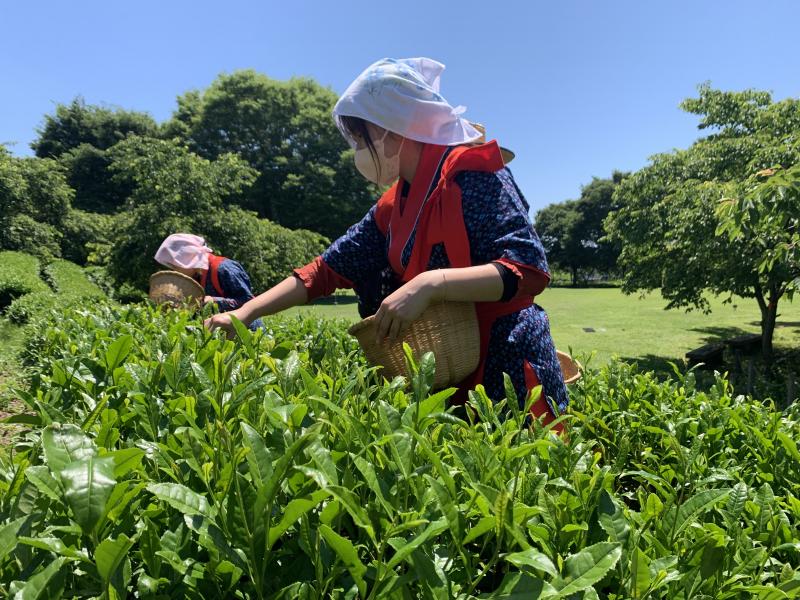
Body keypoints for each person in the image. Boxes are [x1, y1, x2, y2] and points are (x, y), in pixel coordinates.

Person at [205, 57, 568, 425]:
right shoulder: (393, 206)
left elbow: (528, 267)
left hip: (508, 362)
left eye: (362, 138)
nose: (358, 151)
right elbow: (325, 271)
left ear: (394, 129)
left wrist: (432, 284)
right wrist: (244, 313)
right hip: (446, 367)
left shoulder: (472, 172)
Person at [155, 233, 264, 329]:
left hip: (247, 331)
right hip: (221, 333)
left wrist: (215, 301)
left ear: (187, 258)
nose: (174, 270)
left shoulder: (225, 268)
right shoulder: (195, 276)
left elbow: (248, 301)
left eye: (175, 266)